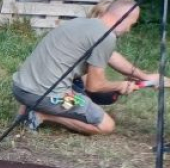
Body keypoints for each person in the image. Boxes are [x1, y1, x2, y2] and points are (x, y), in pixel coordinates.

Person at [12, 0, 163, 135]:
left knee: (77, 96)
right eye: (131, 24)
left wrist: (145, 77)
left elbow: (112, 56)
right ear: (124, 17)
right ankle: (40, 114)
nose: (129, 30)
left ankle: (30, 107)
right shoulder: (106, 36)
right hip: (46, 96)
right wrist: (122, 85)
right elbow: (94, 86)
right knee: (106, 125)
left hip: (21, 88)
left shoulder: (82, 23)